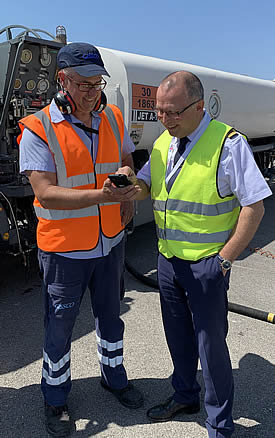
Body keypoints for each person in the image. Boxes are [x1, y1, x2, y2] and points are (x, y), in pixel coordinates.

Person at [119, 71, 272, 438]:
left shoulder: (227, 144)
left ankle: (219, 424)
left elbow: (255, 207)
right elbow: (148, 186)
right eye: (159, 112)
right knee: (179, 337)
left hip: (207, 265)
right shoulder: (162, 144)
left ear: (199, 106)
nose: (165, 120)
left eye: (173, 113)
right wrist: (130, 183)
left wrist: (224, 260)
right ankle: (184, 395)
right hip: (168, 262)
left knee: (210, 346)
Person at [18, 42, 143, 437]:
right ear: (62, 81)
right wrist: (102, 196)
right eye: (84, 84)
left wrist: (125, 187)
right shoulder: (38, 129)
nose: (93, 92)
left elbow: (126, 158)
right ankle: (55, 399)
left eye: (97, 83)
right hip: (64, 250)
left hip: (109, 243)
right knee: (59, 327)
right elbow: (47, 193)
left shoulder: (114, 117)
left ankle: (114, 376)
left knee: (111, 318)